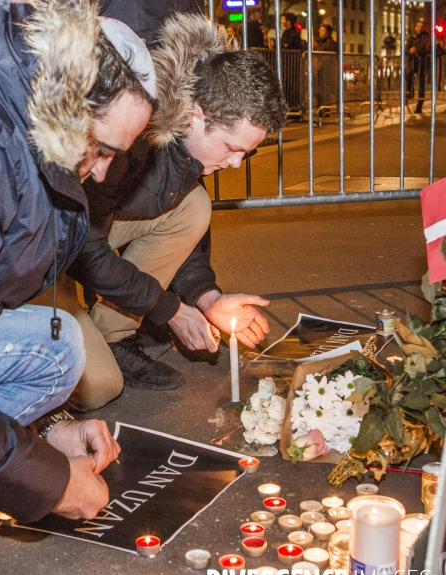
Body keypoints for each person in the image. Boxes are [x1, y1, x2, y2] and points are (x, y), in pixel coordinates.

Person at [54, 13, 288, 410]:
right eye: (233, 148)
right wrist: (170, 310)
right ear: (196, 114)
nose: (236, 164)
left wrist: (208, 298)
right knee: (98, 388)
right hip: (46, 245)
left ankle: (113, 334)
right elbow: (81, 245)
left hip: (89, 228)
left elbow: (179, 231)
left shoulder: (188, 141)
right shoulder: (133, 128)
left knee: (194, 205)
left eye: (246, 153)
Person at [0, 0, 156, 522]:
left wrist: (46, 433)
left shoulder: (19, 117)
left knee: (57, 351)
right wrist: (50, 482)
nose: (102, 175)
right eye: (100, 149)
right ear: (67, 104)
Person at [406, 21, 431, 114]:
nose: (419, 28)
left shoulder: (426, 37)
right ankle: (410, 92)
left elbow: (427, 49)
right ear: (415, 27)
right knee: (408, 75)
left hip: (422, 63)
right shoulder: (411, 38)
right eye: (418, 26)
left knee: (421, 85)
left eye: (421, 26)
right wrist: (410, 51)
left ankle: (419, 106)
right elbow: (406, 49)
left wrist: (417, 50)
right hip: (412, 62)